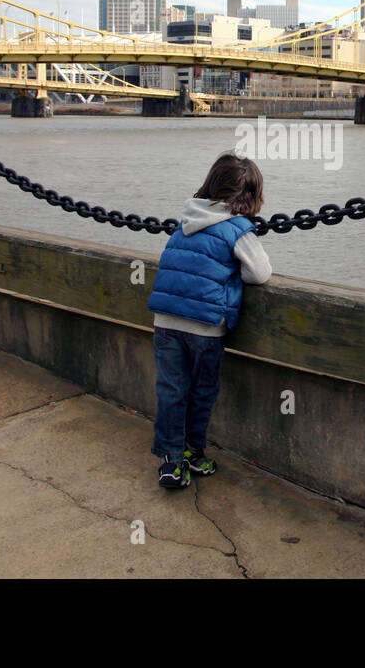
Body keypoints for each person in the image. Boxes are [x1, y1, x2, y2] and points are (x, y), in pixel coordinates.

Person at [146, 152, 272, 489]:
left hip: (166, 322)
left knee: (172, 391)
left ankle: (171, 463)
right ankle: (193, 454)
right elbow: (260, 274)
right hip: (205, 326)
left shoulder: (185, 221)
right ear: (250, 197)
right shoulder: (238, 229)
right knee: (202, 392)